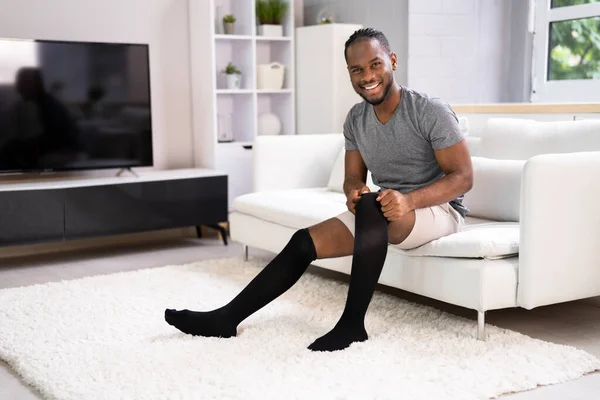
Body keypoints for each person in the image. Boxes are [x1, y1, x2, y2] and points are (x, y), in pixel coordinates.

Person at [165, 28, 473, 352]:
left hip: (438, 209)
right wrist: (354, 192)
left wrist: (409, 200)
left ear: (392, 61)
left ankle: (352, 325)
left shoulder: (429, 110)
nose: (367, 76)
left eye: (375, 64)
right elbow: (353, 177)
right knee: (303, 242)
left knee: (373, 208)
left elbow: (463, 176)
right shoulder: (356, 118)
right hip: (384, 209)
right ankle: (226, 319)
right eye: (357, 69)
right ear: (350, 73)